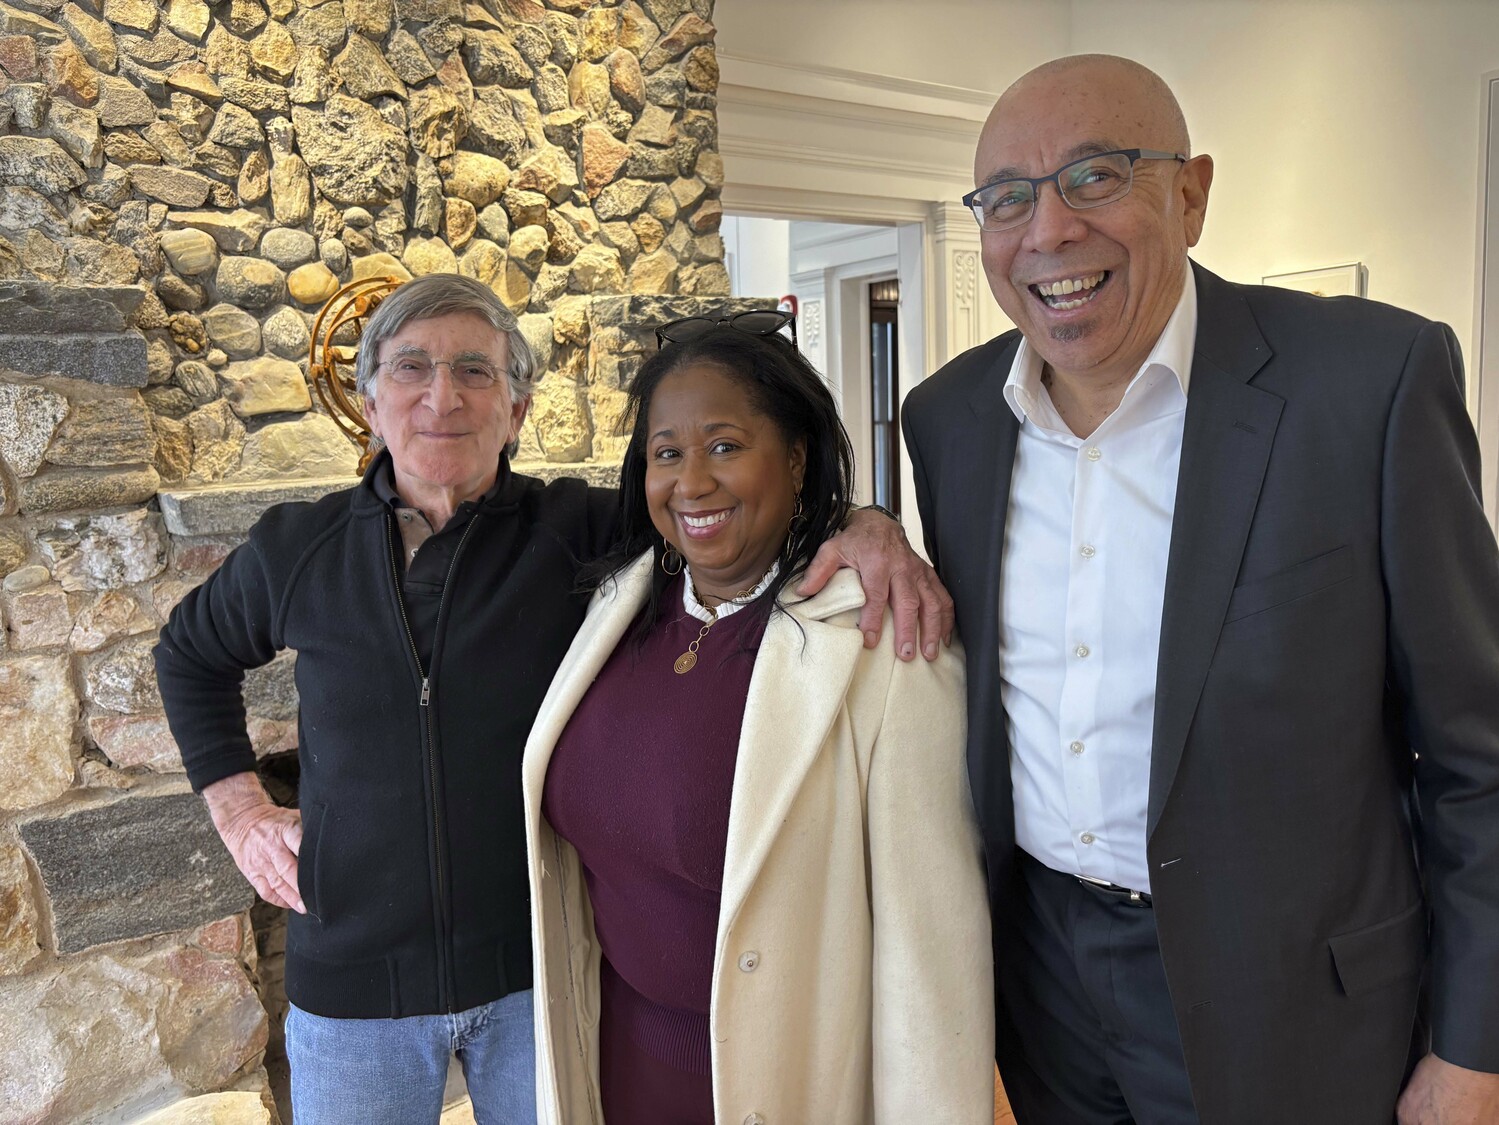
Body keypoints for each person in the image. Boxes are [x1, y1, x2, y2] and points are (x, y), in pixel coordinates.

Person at [153, 275, 950, 1125]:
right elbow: (188, 654)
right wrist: (241, 811)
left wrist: (869, 525)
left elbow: (726, 507)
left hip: (536, 979)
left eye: (475, 371)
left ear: (518, 407)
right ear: (370, 399)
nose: (442, 395)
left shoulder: (579, 529)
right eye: (412, 367)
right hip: (352, 989)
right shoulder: (295, 548)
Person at [902, 53, 1499, 1125]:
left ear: (1191, 194)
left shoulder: (1366, 384)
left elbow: (1481, 754)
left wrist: (1477, 1049)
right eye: (1006, 198)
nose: (1046, 232)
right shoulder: (948, 421)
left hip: (1296, 1002)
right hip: (1043, 985)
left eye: (1095, 176)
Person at [521, 319, 994, 1125]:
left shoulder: (884, 646)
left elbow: (933, 967)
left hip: (782, 1087)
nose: (692, 481)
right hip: (618, 1067)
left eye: (726, 445)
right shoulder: (616, 606)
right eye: (666, 453)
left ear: (797, 457)